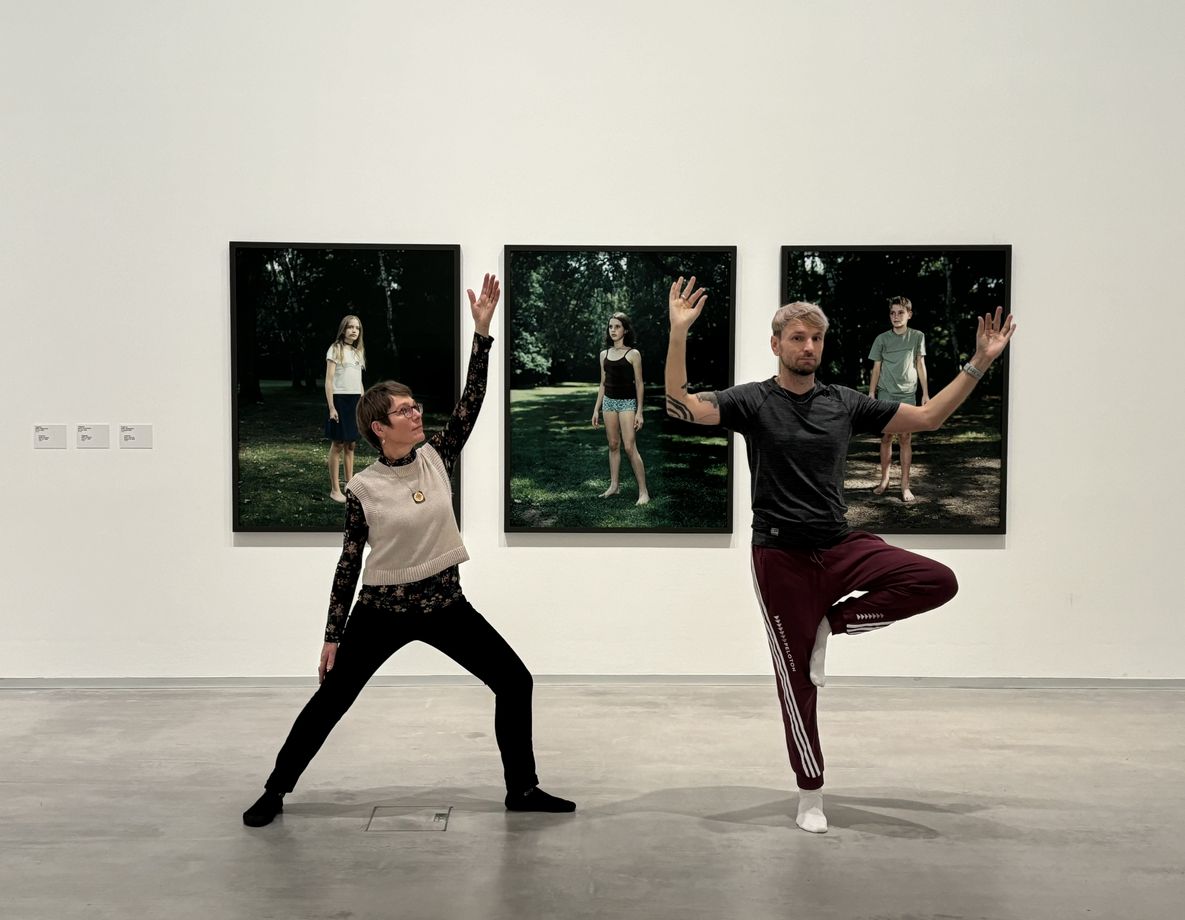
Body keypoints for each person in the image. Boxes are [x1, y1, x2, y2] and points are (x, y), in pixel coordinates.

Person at [664, 276, 1014, 835]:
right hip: (779, 557)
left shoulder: (843, 402)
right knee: (796, 679)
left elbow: (927, 420)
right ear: (776, 344)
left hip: (841, 546)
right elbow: (681, 409)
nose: (809, 348)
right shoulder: (751, 400)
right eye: (799, 338)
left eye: (817, 340)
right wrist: (679, 333)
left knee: (937, 580)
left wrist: (978, 361)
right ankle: (810, 793)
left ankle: (834, 622)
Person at [243, 274, 575, 828]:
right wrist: (332, 636)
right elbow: (349, 566)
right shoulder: (364, 489)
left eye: (416, 406)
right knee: (331, 701)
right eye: (404, 411)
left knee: (514, 680)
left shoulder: (437, 456)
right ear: (379, 427)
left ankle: (523, 788)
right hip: (380, 613)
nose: (417, 413)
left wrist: (483, 332)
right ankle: (275, 790)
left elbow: (472, 400)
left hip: (445, 604)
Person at [868, 296, 930, 501]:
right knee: (886, 437)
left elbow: (920, 365)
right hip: (886, 394)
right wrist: (871, 393)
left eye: (900, 312)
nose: (896, 316)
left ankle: (905, 486)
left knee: (905, 437)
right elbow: (876, 368)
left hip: (908, 394)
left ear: (909, 314)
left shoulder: (917, 337)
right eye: (893, 313)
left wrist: (926, 393)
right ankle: (884, 480)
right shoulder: (881, 339)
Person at [590, 312, 650, 505]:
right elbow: (602, 383)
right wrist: (596, 409)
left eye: (617, 326)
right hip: (609, 403)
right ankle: (614, 486)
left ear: (625, 329)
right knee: (613, 445)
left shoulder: (633, 354)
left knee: (629, 447)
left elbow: (639, 383)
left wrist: (639, 411)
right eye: (610, 327)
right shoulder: (603, 355)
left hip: (627, 403)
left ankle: (643, 492)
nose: (613, 330)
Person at [325, 314, 366, 503]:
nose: (354, 330)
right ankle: (335, 489)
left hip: (355, 401)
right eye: (350, 327)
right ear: (343, 329)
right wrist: (332, 407)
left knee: (351, 444)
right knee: (338, 444)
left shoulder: (358, 352)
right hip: (340, 400)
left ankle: (349, 486)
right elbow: (329, 380)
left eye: (357, 328)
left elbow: (359, 381)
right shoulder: (335, 349)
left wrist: (364, 403)